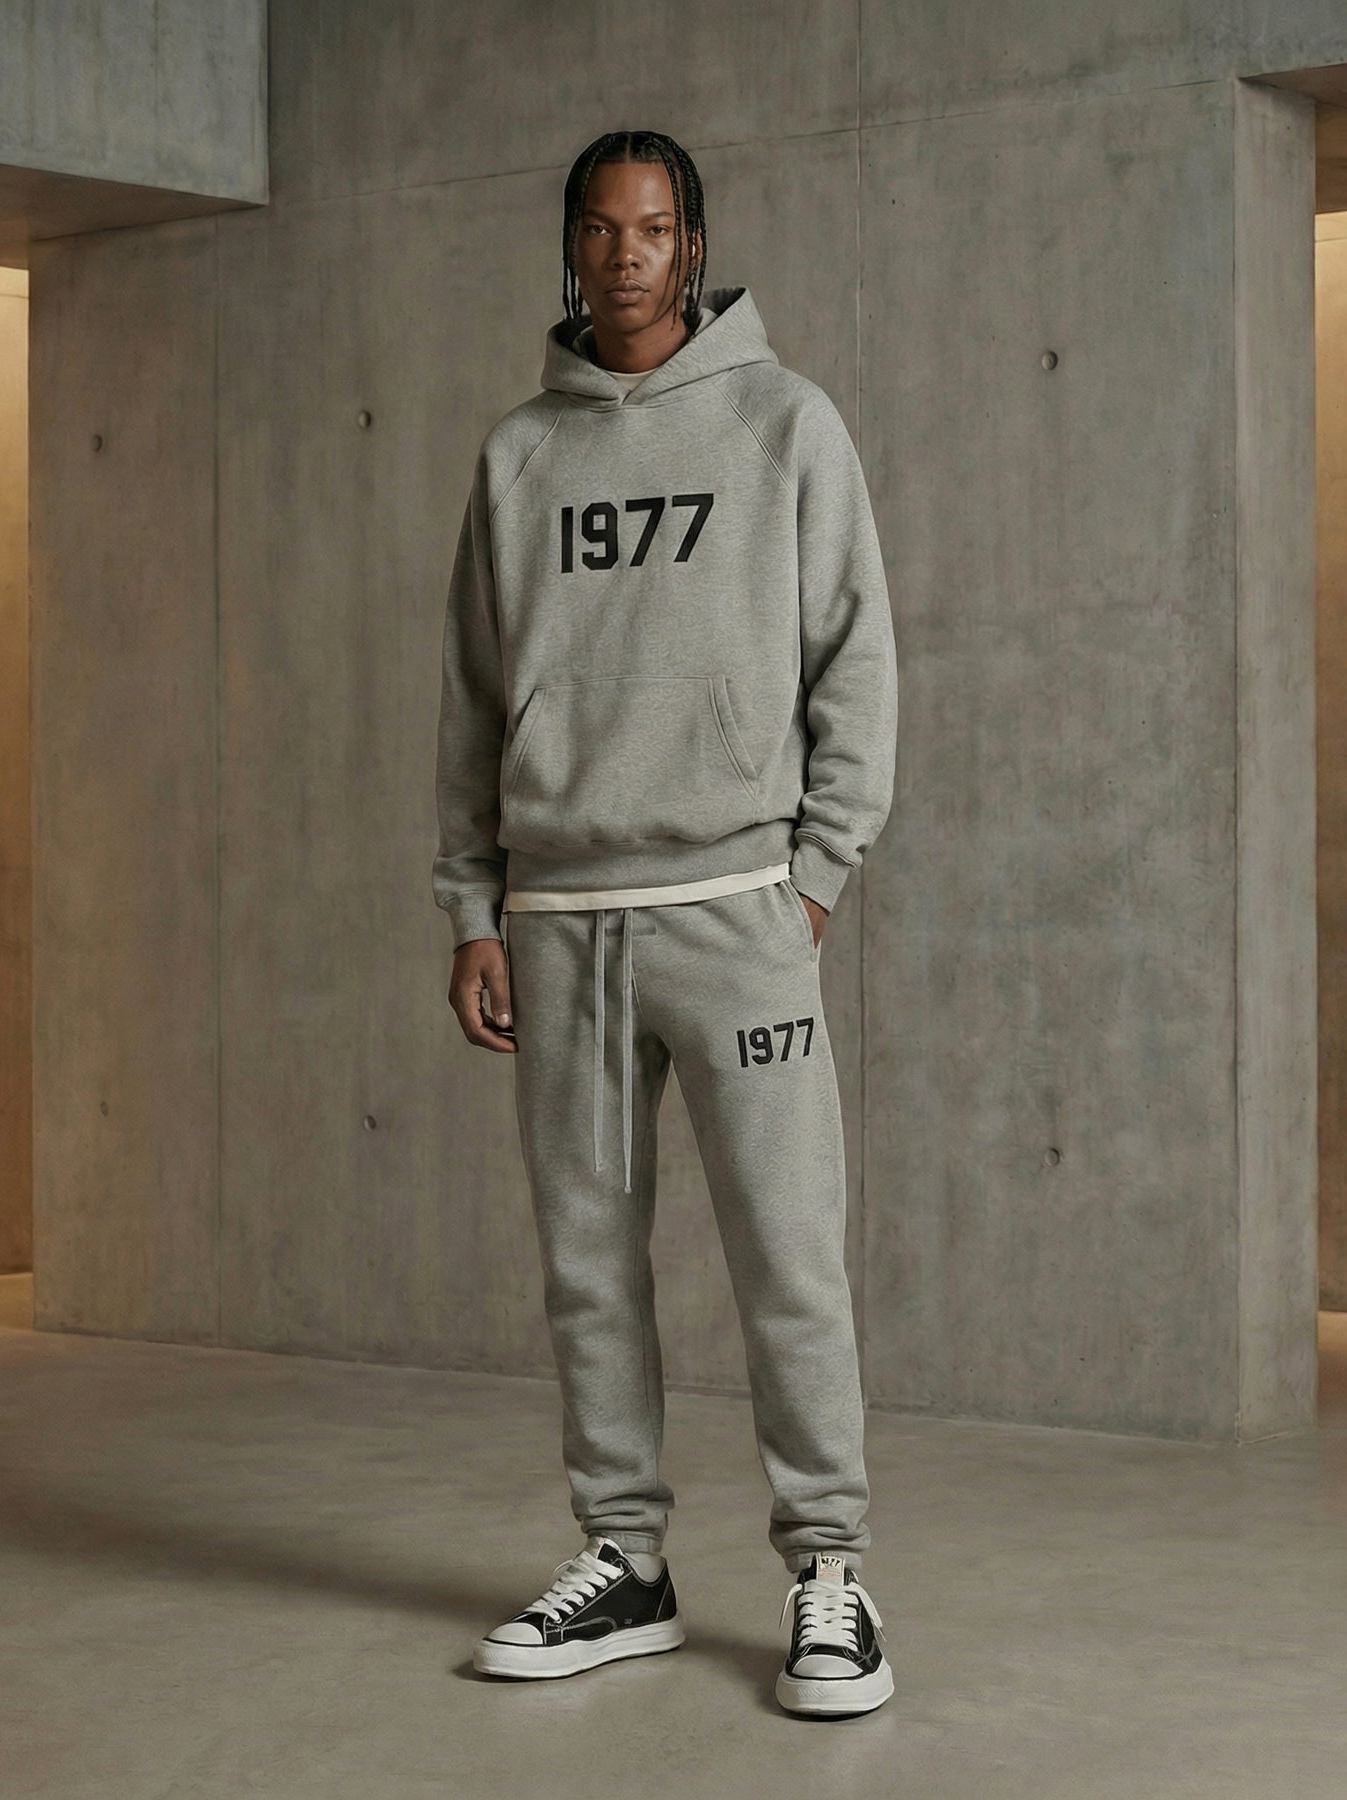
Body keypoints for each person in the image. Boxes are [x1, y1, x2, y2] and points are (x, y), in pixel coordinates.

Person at [431, 127, 898, 1718]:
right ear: (571, 246)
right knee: (587, 1268)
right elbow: (472, 698)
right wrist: (475, 904)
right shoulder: (519, 456)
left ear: (694, 246)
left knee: (789, 1257)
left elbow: (857, 659)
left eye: (652, 229)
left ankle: (830, 1569)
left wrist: (816, 875)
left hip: (735, 911)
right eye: (599, 228)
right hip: (560, 919)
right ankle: (623, 1559)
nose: (625, 255)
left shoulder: (786, 422)